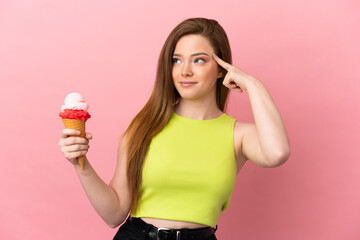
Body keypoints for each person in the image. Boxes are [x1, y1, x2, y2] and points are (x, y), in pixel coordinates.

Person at [58, 17, 290, 240]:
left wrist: (254, 85)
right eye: (176, 60)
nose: (184, 71)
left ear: (222, 69)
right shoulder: (145, 125)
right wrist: (80, 163)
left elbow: (277, 153)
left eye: (199, 60)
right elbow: (114, 214)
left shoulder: (239, 135)